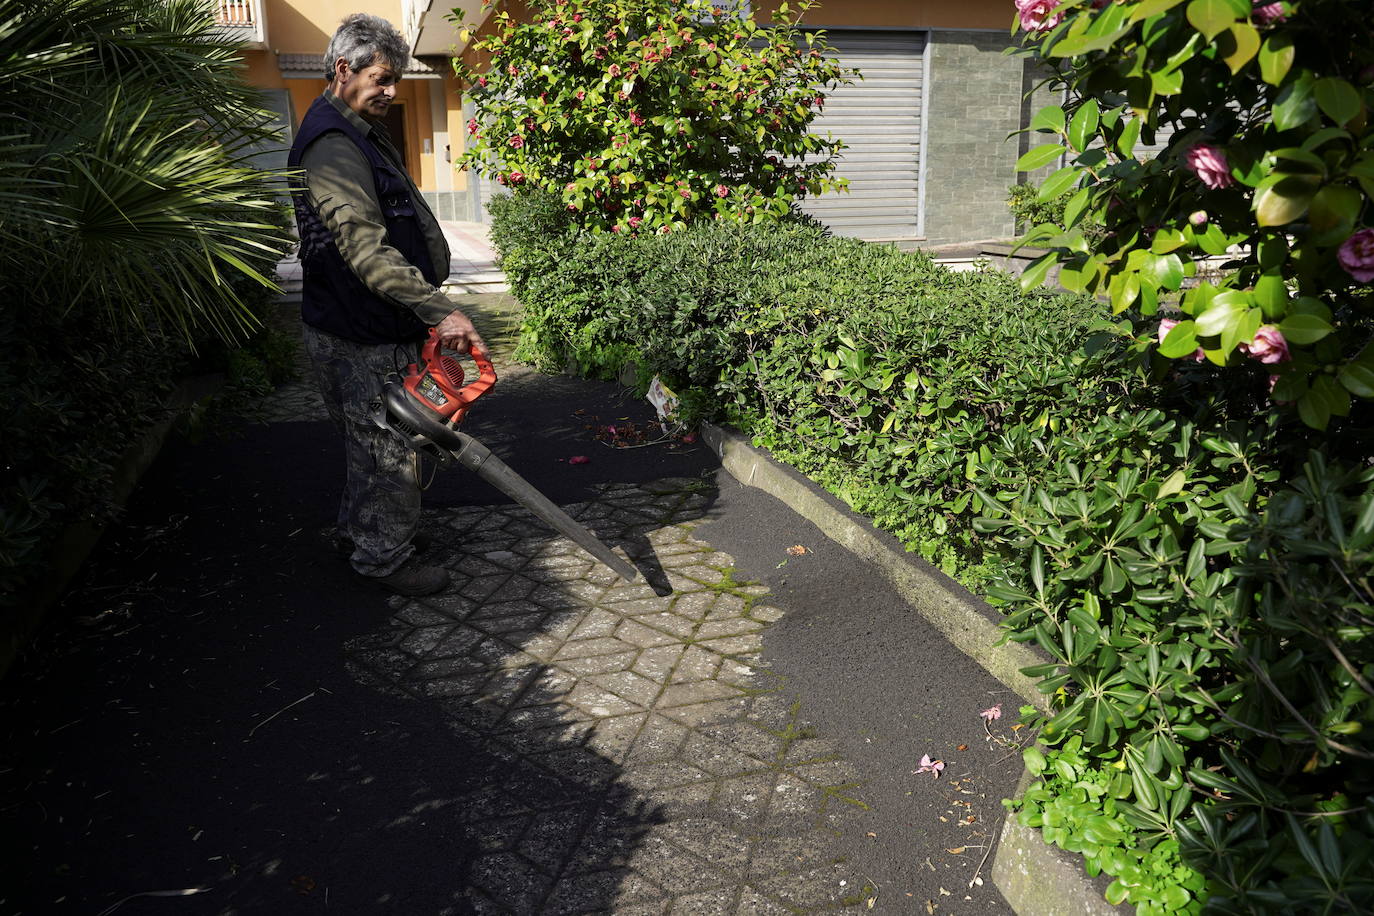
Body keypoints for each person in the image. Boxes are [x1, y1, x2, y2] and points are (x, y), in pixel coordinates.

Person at [288, 13, 484, 597]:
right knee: (392, 448)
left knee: (367, 441)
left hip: (362, 324)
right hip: (359, 331)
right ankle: (384, 559)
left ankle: (363, 534)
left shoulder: (353, 130)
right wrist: (438, 309)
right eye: (382, 78)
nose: (392, 90)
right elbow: (366, 251)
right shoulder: (333, 144)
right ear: (343, 69)